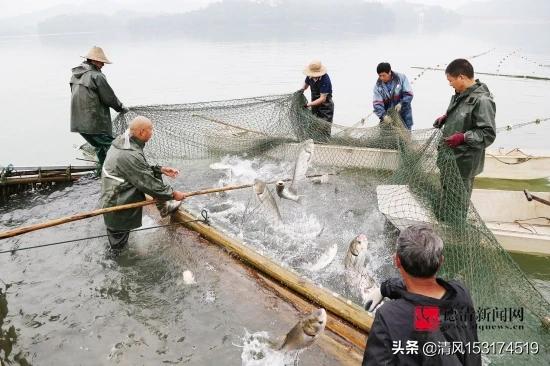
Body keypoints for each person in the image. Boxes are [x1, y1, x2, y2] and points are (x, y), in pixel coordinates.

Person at [362, 224, 481, 365]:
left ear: (397, 261)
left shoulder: (389, 315)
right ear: (440, 261)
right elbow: (426, 309)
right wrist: (385, 288)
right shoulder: (460, 294)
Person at [100, 116, 186, 252]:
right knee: (117, 247)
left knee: (118, 241)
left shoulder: (126, 142)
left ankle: (164, 208)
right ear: (141, 132)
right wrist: (173, 194)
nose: (152, 133)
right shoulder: (129, 154)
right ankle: (117, 263)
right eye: (150, 130)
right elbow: (147, 182)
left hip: (118, 192)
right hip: (116, 203)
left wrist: (160, 169)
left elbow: (139, 170)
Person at [433, 58, 496, 202]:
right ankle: (444, 220)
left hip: (463, 164)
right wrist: (446, 117)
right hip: (448, 159)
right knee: (446, 198)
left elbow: (488, 134)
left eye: (451, 80)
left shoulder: (483, 100)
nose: (449, 84)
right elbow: (462, 115)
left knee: (457, 203)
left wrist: (463, 138)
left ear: (461, 77)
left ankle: (453, 223)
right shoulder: (460, 94)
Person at [70, 46, 129, 173]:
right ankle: (124, 173)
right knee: (116, 145)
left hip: (78, 123)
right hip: (94, 123)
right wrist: (121, 107)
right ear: (93, 60)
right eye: (101, 61)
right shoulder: (97, 76)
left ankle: (103, 173)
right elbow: (109, 97)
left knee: (100, 147)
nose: (103, 64)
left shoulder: (75, 75)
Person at [299, 60, 334, 141]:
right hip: (314, 104)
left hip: (326, 106)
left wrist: (308, 105)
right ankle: (314, 141)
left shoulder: (325, 79)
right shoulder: (309, 76)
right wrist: (301, 90)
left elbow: (322, 99)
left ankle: (325, 143)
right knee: (313, 124)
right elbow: (305, 85)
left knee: (325, 127)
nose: (312, 75)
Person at [373, 62, 414, 130]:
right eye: (379, 75)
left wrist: (401, 103)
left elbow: (409, 94)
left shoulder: (401, 78)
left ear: (389, 72)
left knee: (405, 137)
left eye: (383, 75)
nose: (381, 78)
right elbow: (377, 104)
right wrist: (384, 116)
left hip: (404, 115)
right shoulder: (378, 86)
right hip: (388, 119)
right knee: (387, 138)